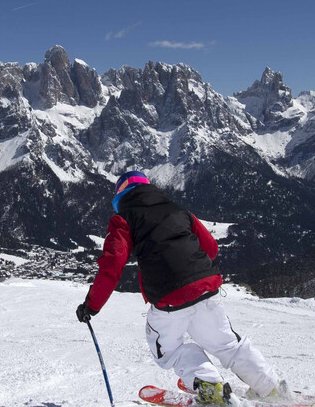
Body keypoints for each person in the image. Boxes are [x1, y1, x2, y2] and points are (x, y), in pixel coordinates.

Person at [75, 171, 292, 405]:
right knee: (227, 344)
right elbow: (210, 248)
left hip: (168, 297)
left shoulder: (124, 219)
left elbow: (112, 266)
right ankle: (270, 387)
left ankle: (210, 386)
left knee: (168, 350)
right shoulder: (179, 210)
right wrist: (193, 273)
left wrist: (91, 306)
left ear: (120, 196)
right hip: (206, 288)